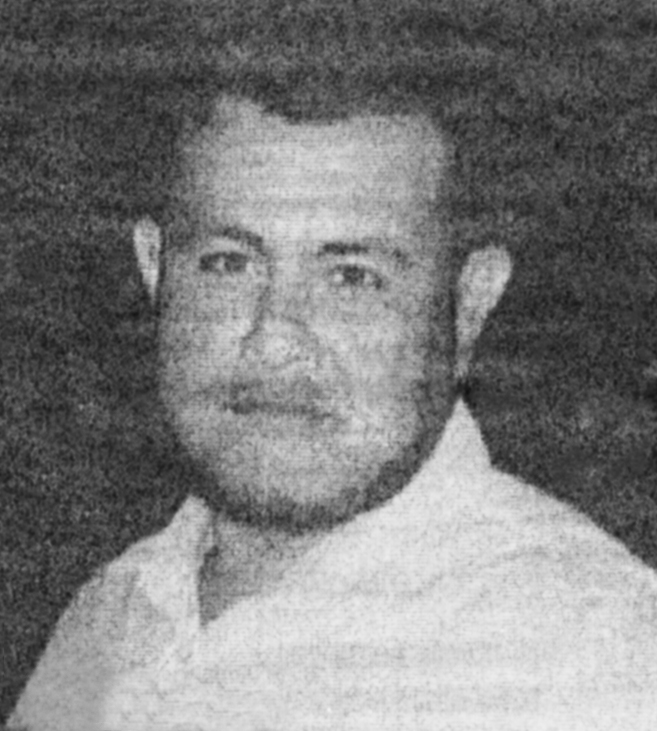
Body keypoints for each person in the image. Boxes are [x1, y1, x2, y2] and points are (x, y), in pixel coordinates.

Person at [9, 89, 657, 731]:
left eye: (352, 277)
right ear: (155, 269)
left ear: (468, 304)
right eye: (228, 264)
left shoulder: (580, 655)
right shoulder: (116, 609)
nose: (274, 338)